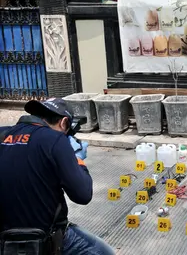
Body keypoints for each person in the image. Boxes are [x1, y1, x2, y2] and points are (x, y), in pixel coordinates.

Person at [0, 98, 115, 254]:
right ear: (63, 123)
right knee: (104, 252)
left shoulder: (2, 134)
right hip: (46, 239)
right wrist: (76, 159)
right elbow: (83, 195)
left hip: (4, 238)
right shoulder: (55, 139)